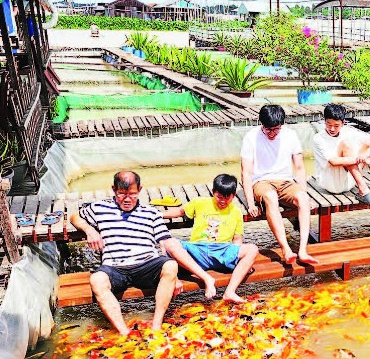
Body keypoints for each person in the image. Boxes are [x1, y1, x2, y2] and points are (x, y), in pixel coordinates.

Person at [70, 171, 217, 335]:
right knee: (96, 279)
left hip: (146, 265)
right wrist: (89, 230)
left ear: (139, 190)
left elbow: (167, 243)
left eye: (132, 194)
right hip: (115, 267)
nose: (127, 199)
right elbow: (74, 216)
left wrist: (175, 277)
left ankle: (156, 325)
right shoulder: (100, 208)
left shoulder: (150, 212)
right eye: (121, 194)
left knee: (170, 265)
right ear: (114, 189)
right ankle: (124, 332)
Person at [162, 174, 258, 304]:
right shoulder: (200, 202)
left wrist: (242, 261)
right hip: (197, 251)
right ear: (213, 192)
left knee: (252, 249)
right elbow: (180, 212)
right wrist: (157, 214)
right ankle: (206, 278)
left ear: (234, 196)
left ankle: (230, 292)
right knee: (169, 243)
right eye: (219, 197)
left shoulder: (236, 212)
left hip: (222, 252)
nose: (222, 201)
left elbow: (237, 240)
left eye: (227, 197)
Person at [241, 105, 318, 265]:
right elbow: (246, 173)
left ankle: (303, 250)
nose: (272, 133)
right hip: (261, 182)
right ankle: (285, 248)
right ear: (261, 124)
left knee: (303, 198)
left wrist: (304, 193)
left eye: (276, 129)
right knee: (270, 196)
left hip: (285, 181)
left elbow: (299, 168)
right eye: (268, 129)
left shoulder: (291, 135)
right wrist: (250, 203)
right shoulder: (251, 137)